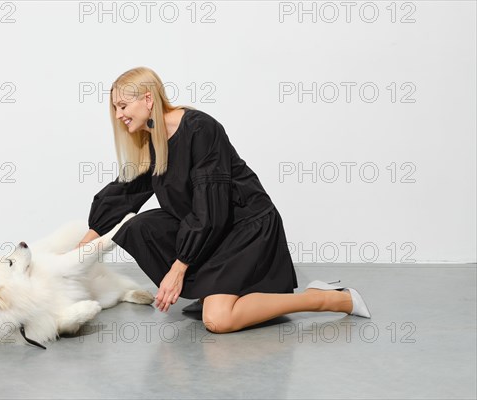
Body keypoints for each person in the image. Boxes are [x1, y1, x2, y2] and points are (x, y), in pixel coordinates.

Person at [75, 66, 371, 334]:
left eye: (122, 106)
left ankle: (325, 298)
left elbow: (210, 207)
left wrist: (178, 270)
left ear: (148, 99)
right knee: (140, 227)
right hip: (213, 226)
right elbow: (128, 189)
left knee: (218, 321)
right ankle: (212, 291)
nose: (118, 115)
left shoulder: (200, 128)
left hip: (245, 226)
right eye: (114, 108)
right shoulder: (152, 138)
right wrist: (90, 236)